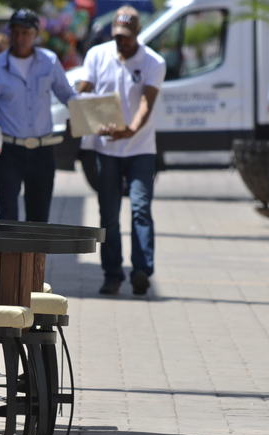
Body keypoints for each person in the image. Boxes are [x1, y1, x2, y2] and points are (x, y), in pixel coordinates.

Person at [78, 6, 165, 295]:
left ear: (137, 34)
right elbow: (84, 92)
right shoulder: (97, 55)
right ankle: (112, 273)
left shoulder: (153, 62)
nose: (122, 42)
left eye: (126, 37)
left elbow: (146, 105)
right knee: (109, 214)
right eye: (117, 36)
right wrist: (88, 111)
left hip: (140, 147)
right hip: (106, 149)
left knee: (140, 208)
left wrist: (130, 130)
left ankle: (141, 271)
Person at [0, 8, 76, 222]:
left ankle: (35, 257)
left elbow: (67, 94)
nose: (20, 38)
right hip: (9, 150)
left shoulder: (49, 61)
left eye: (26, 33)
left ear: (36, 34)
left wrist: (84, 114)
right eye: (16, 32)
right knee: (7, 216)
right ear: (10, 33)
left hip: (42, 150)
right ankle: (7, 256)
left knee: (38, 218)